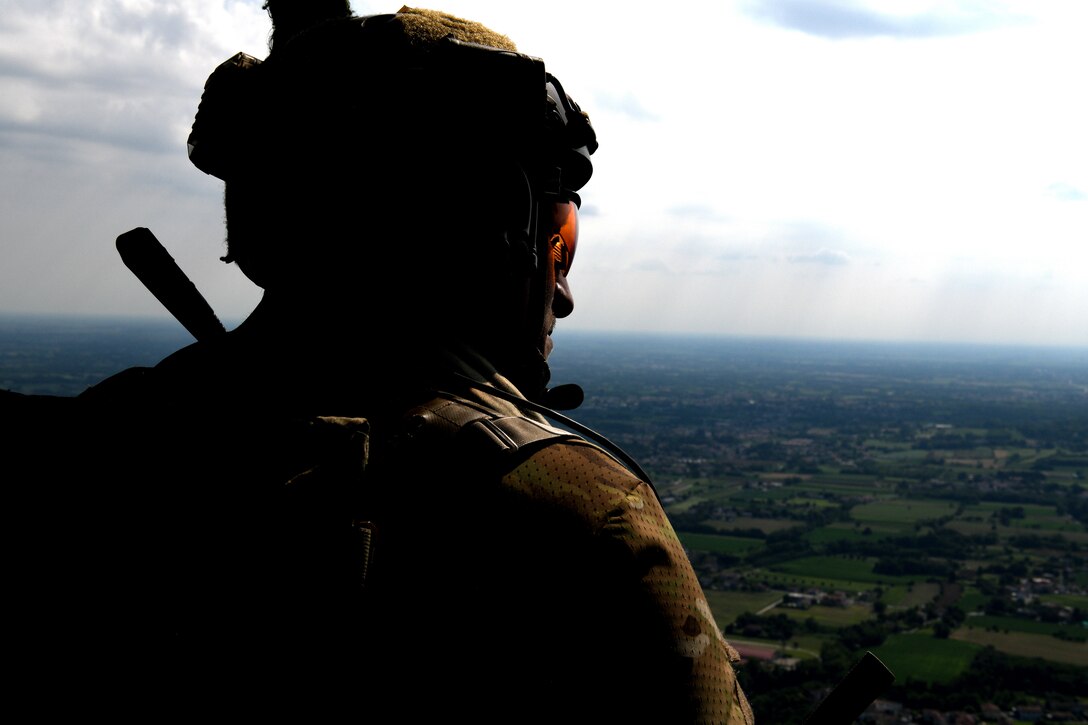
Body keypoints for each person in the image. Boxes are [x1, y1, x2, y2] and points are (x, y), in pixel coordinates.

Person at [4, 4, 753, 722]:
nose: (562, 290)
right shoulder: (573, 510)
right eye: (560, 244)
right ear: (492, 222)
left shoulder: (96, 438)